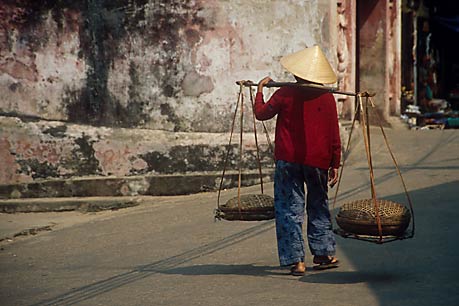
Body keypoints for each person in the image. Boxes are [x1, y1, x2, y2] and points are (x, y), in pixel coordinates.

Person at [253, 45, 341, 276]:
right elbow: (334, 134)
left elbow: (261, 113)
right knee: (318, 206)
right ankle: (323, 254)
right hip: (318, 162)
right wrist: (335, 163)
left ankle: (296, 261)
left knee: (289, 209)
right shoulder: (327, 97)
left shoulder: (284, 93)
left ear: (296, 73)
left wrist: (261, 89)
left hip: (288, 161)